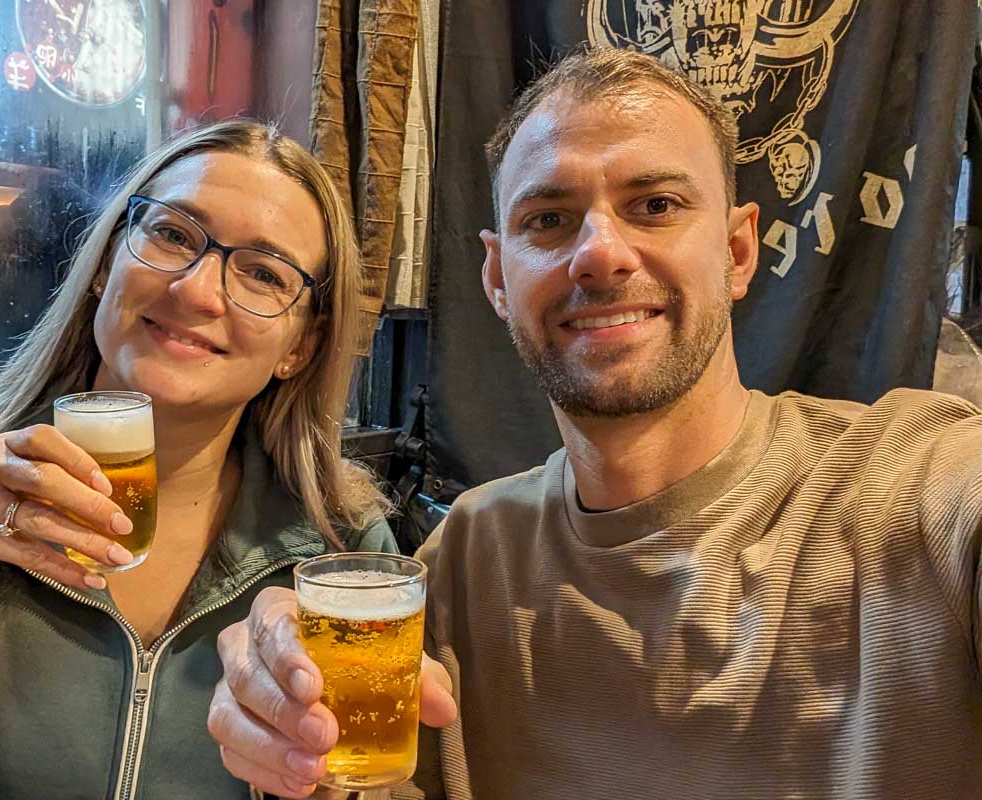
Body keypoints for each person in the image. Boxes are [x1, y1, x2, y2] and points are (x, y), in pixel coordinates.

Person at [206, 48, 982, 799]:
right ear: (498, 279)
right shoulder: (472, 556)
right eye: (548, 218)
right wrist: (292, 747)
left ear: (739, 250)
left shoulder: (913, 488)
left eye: (656, 206)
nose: (601, 254)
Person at [0, 118, 398, 799]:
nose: (196, 291)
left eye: (262, 273)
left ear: (299, 350)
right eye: (170, 234)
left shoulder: (342, 549)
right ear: (106, 265)